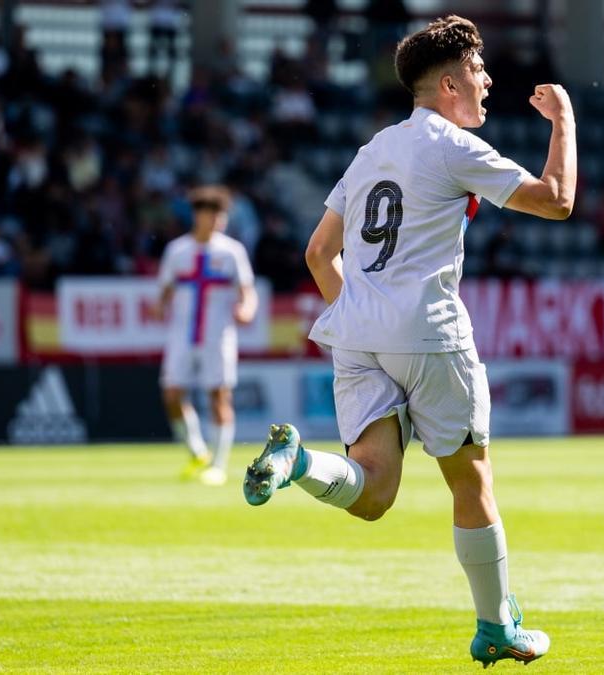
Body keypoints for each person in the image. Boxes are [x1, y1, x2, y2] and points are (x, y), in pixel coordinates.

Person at [241, 15, 576, 667]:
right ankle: (495, 626)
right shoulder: (451, 146)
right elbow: (557, 200)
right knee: (471, 482)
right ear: (448, 83)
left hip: (358, 332)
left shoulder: (373, 150)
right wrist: (563, 120)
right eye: (478, 71)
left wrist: (366, 314)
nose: (487, 80)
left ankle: (297, 462)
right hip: (429, 331)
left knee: (371, 495)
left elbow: (317, 253)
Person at [156, 186, 257, 486]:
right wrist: (160, 306)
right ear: (197, 216)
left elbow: (247, 291)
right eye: (211, 214)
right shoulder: (177, 251)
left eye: (221, 215)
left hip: (218, 334)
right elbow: (165, 289)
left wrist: (247, 310)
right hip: (182, 335)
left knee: (219, 395)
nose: (217, 220)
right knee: (172, 394)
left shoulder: (232, 252)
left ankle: (219, 465)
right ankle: (197, 449)